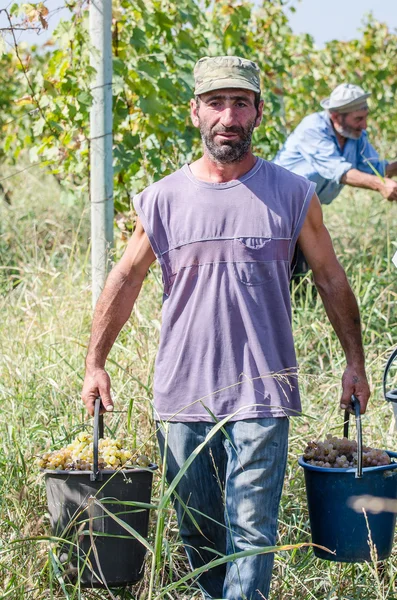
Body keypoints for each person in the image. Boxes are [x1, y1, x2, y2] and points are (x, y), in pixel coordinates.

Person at [82, 56, 370, 600]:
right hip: (183, 396)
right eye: (216, 103)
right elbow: (126, 276)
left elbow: (331, 279)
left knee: (253, 532)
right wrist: (96, 363)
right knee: (200, 532)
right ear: (196, 113)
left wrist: (354, 363)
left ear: (259, 113)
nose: (228, 116)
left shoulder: (292, 194)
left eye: (240, 103)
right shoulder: (163, 198)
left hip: (264, 392)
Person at [274, 83, 397, 275]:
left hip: (305, 213)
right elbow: (338, 170)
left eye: (365, 118)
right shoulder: (312, 128)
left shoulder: (356, 136)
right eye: (358, 119)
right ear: (336, 116)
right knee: (281, 273)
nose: (364, 125)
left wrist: (388, 174)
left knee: (306, 273)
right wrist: (380, 185)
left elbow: (376, 169)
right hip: (279, 211)